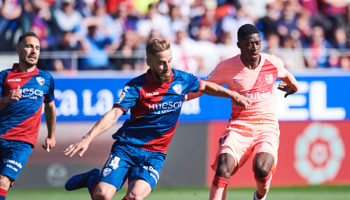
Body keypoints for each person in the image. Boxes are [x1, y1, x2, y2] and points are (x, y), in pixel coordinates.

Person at [63, 39, 251, 200]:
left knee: (136, 196)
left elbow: (207, 86)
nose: (167, 66)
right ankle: (92, 178)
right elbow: (114, 113)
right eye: (161, 62)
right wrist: (87, 138)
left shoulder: (181, 80)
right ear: (149, 62)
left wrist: (233, 95)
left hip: (154, 154)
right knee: (103, 195)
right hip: (127, 148)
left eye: (169, 60)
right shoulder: (136, 86)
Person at [188, 24, 299, 200]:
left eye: (257, 43)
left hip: (266, 127)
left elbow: (286, 75)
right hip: (239, 127)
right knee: (223, 167)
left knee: (262, 169)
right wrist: (181, 98)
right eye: (249, 43)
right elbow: (204, 87)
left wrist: (294, 87)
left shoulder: (272, 62)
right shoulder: (227, 67)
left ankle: (260, 196)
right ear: (239, 45)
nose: (254, 47)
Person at [0, 32, 56, 199]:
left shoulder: (46, 79)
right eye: (29, 46)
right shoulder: (5, 76)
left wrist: (51, 135)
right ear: (18, 49)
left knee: (2, 182)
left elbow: (50, 107)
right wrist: (7, 99)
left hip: (22, 142)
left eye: (37, 48)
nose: (34, 51)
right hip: (1, 134)